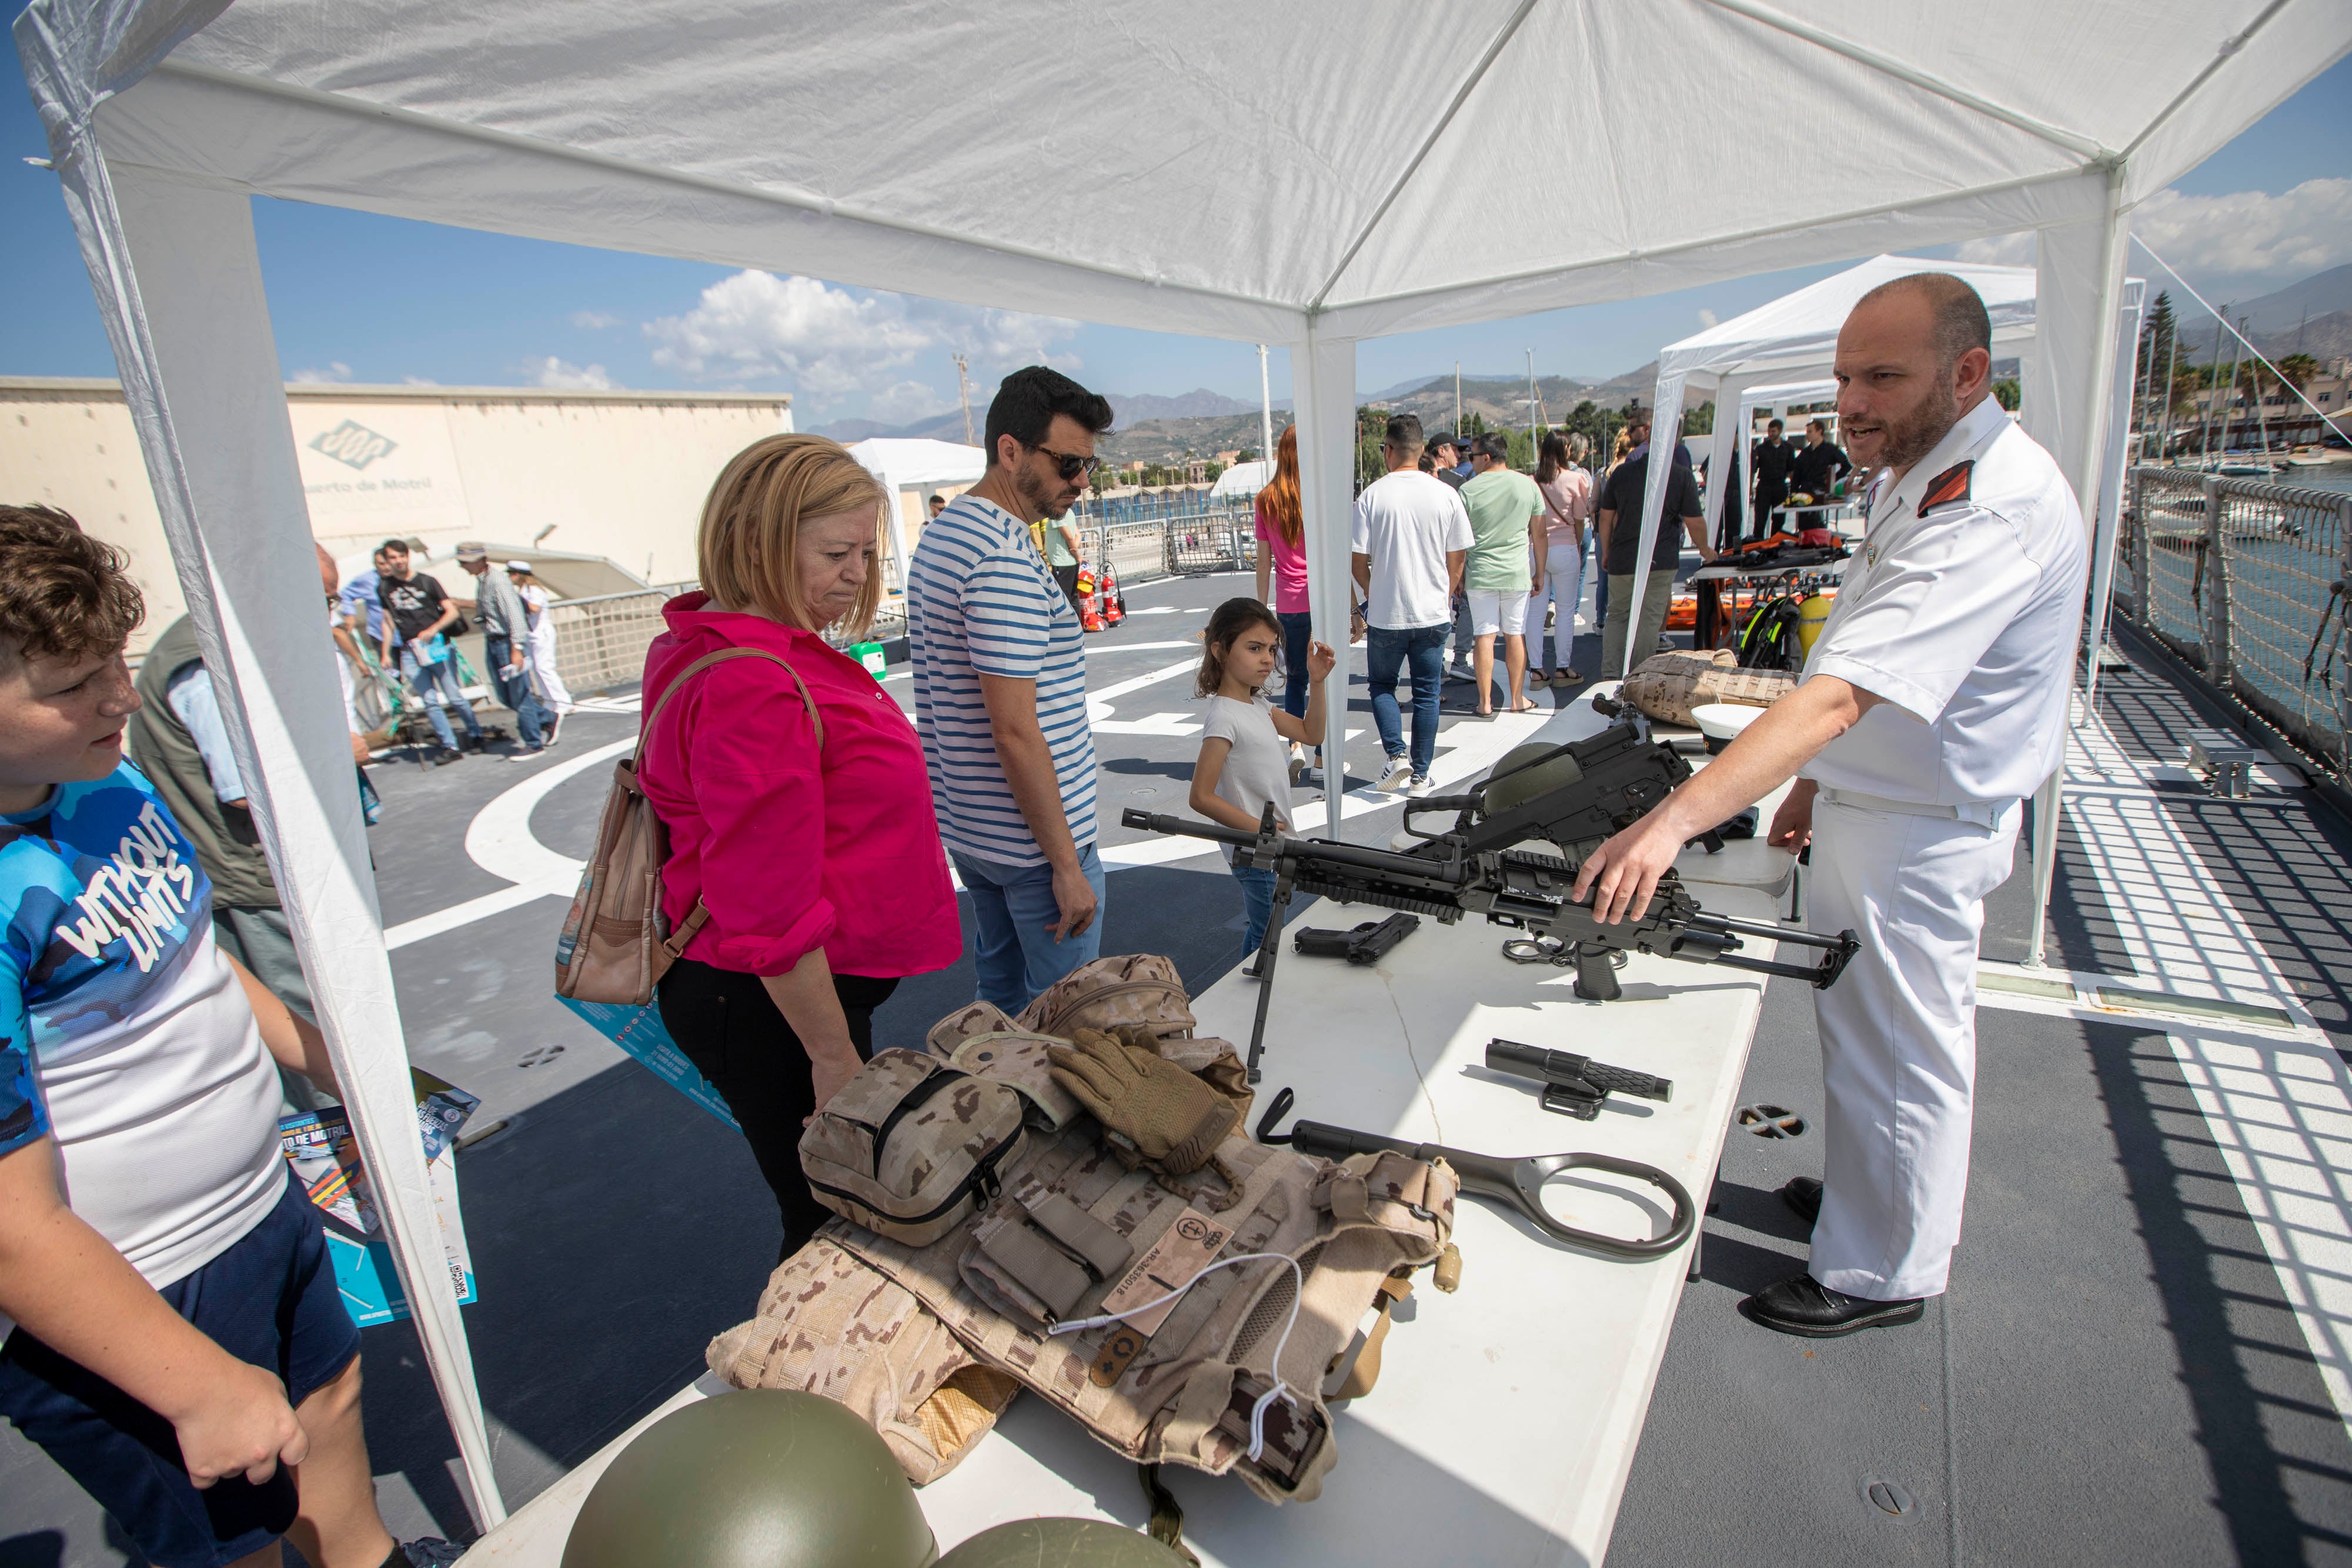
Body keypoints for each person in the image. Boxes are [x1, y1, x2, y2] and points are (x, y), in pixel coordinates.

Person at [1571, 273, 2087, 1338]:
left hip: (1924, 828)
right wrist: (1813, 781)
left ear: (1970, 372)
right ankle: (1869, 1199)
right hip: (1879, 802)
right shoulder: (1926, 469)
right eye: (1847, 374)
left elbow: (1841, 690)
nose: (1852, 400)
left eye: (1882, 376)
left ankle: (1885, 1269)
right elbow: (1864, 648)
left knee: (1905, 1052)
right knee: (1862, 1036)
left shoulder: (1991, 500)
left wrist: (1667, 825)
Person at [0, 505, 459, 1568]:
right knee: (232, 1532)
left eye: (115, 660)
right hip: (140, 1282)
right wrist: (195, 1382)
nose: (120, 695)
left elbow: (189, 966)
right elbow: (14, 1228)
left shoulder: (102, 780)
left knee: (332, 1404)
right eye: (71, 685)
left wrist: (329, 1061)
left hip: (260, 1204)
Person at [643, 436, 961, 1257]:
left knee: (833, 1204)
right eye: (835, 552)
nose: (859, 573)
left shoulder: (729, 642)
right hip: (771, 1003)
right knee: (833, 1219)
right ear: (756, 540)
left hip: (773, 991)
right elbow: (767, 901)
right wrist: (831, 1055)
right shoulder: (751, 677)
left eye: (866, 551)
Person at [908, 366, 1114, 1013]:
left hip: (974, 830)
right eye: (1068, 464)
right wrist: (1066, 867)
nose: (1080, 481)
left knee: (996, 996)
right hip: (1035, 845)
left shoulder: (942, 536)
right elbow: (1015, 729)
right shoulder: (1001, 557)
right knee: (1063, 1016)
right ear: (1010, 450)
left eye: (1088, 466)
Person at [126, 545, 372, 1039]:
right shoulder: (212, 663)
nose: (332, 614)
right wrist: (332, 752)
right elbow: (245, 789)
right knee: (313, 1022)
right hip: (257, 876)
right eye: (324, 601)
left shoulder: (231, 646)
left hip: (265, 868)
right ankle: (339, 1115)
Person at [1187, 598, 1335, 963]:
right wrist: (1260, 829)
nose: (1268, 659)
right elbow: (1200, 797)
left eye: (1271, 649)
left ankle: (1252, 983)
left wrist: (1317, 683)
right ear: (1219, 650)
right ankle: (1250, 992)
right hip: (1255, 850)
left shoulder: (1260, 707)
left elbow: (1312, 734)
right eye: (1254, 648)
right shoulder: (1224, 717)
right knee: (1267, 930)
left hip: (1269, 844)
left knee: (1265, 928)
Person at [1351, 414, 1471, 795]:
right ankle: (1420, 775)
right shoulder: (1446, 494)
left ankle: (1396, 755)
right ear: (1422, 451)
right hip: (1432, 613)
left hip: (1387, 614)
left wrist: (1375, 592)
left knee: (1383, 686)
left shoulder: (1372, 496)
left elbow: (1357, 561)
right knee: (1426, 692)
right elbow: (1459, 556)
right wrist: (1447, 589)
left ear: (1388, 450)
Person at [1595, 416, 1716, 674]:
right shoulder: (1681, 477)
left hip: (1623, 556)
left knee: (1617, 616)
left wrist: (1607, 550)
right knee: (1648, 619)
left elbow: (1605, 518)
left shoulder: (1622, 473)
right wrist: (1706, 551)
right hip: (1660, 559)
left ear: (1649, 437)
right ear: (1676, 441)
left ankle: (1610, 674)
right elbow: (1695, 522)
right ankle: (1638, 675)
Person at [373, 539, 482, 763]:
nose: (399, 561)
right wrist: (385, 653)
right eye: (393, 557)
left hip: (436, 645)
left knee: (453, 695)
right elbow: (387, 622)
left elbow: (451, 611)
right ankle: (450, 745)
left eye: (402, 556)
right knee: (429, 700)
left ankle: (475, 733)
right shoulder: (384, 587)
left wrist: (433, 629)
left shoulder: (427, 581)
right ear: (387, 561)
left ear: (408, 557)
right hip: (410, 650)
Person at [1459, 432, 1545, 716]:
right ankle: (1517, 699)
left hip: (1480, 573)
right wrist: (1540, 571)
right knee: (1515, 634)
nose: (1469, 461)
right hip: (1516, 573)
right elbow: (1539, 534)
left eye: (1472, 456)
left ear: (1486, 457)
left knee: (1483, 635)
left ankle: (1485, 703)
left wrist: (1458, 577)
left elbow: (1459, 541)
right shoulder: (1528, 485)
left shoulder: (1468, 490)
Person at [1252, 424, 1316, 783]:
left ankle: (1295, 746)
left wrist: (1260, 610)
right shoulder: (1316, 494)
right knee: (1324, 678)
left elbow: (1264, 562)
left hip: (1289, 603)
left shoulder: (1266, 499)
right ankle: (1324, 755)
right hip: (1320, 601)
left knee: (1295, 679)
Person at [453, 543, 554, 761]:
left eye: (464, 562)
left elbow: (515, 616)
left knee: (519, 695)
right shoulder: (485, 580)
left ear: (478, 560)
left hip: (505, 643)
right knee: (506, 696)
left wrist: (516, 648)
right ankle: (546, 717)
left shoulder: (497, 581)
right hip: (494, 641)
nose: (462, 567)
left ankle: (534, 744)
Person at [1532, 431, 1591, 688]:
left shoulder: (1532, 481)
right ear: (1564, 450)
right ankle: (1562, 669)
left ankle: (1535, 670)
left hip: (1536, 550)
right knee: (1566, 612)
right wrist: (1576, 545)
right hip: (1566, 547)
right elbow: (1579, 520)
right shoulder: (1576, 480)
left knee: (1534, 614)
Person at [509, 563, 574, 724]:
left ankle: (562, 701)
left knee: (545, 667)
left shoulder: (534, 591)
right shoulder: (524, 591)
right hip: (532, 635)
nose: (511, 577)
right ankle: (550, 701)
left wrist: (517, 599)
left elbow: (535, 608)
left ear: (521, 574)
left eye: (513, 574)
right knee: (537, 669)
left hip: (542, 634)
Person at [1791, 416, 1853, 500]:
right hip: (1805, 491)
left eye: (1810, 432)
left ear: (1819, 432)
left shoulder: (1831, 449)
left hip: (1821, 489)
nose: (1807, 435)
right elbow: (1797, 474)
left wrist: (1832, 479)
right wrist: (1793, 492)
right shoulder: (1805, 453)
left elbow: (1847, 465)